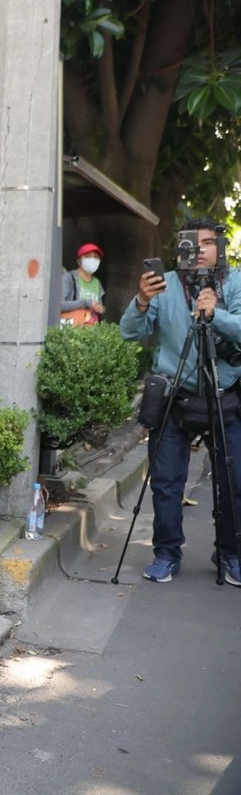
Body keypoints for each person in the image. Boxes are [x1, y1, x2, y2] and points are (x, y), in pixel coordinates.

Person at [119, 217, 241, 586]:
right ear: (180, 247)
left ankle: (230, 554)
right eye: (192, 242)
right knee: (167, 482)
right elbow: (130, 332)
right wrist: (141, 301)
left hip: (224, 396)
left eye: (208, 242)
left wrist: (214, 315)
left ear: (220, 247)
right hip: (175, 395)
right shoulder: (166, 284)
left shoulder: (234, 282)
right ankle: (166, 553)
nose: (200, 249)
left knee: (234, 480)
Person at [61, 242, 107, 325]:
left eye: (96, 257)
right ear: (79, 261)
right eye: (87, 256)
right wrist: (86, 303)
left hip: (91, 331)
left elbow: (99, 307)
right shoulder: (68, 278)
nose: (92, 260)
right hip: (71, 329)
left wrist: (100, 309)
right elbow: (60, 305)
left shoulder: (97, 283)